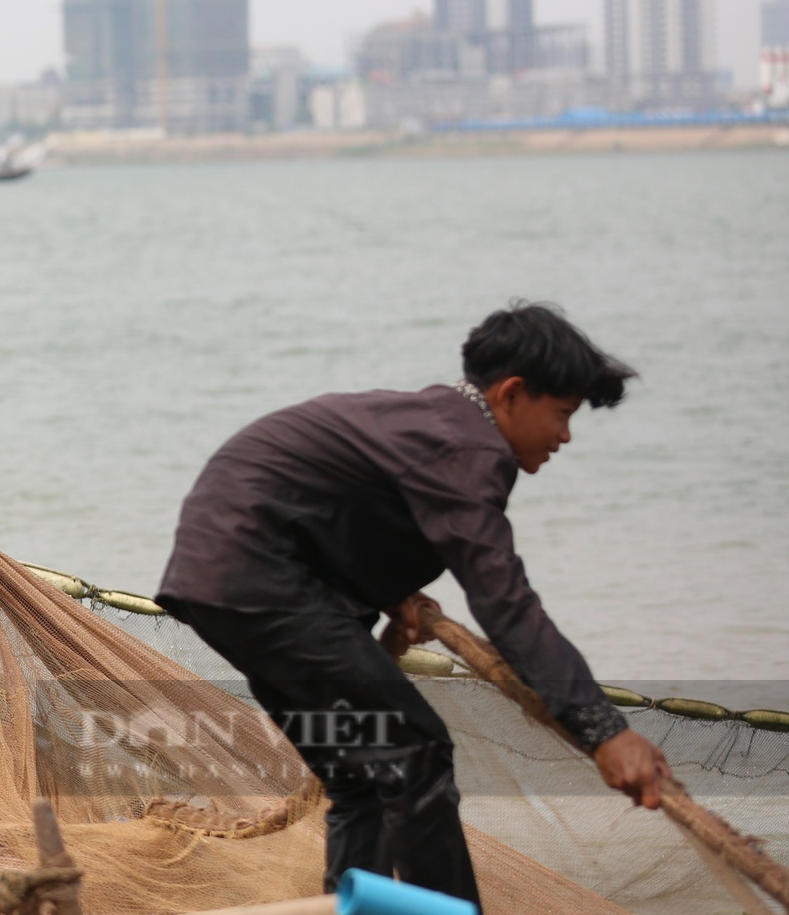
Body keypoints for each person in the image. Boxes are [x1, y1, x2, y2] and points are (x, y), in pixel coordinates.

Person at [155, 303, 671, 899]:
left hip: (222, 582)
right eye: (561, 413)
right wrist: (604, 730)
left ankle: (356, 909)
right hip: (258, 579)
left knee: (362, 777)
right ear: (510, 393)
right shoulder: (466, 448)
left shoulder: (433, 426)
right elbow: (505, 601)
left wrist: (390, 590)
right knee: (414, 748)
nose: (565, 435)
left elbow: (339, 511)